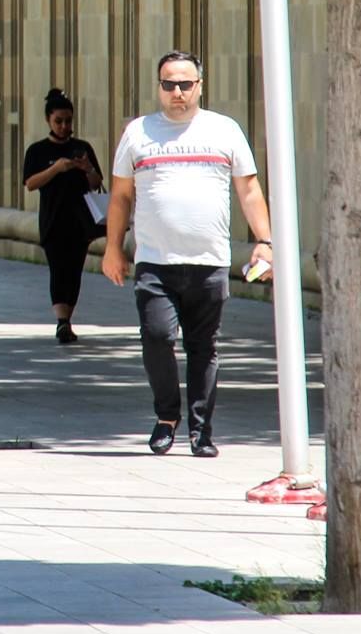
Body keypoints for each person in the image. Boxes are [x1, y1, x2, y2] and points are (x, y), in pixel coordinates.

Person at [103, 51, 273, 458]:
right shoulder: (139, 133)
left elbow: (248, 190)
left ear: (200, 85)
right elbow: (121, 197)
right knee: (157, 338)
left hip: (208, 261)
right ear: (158, 87)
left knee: (203, 347)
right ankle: (166, 416)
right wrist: (112, 248)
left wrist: (265, 241)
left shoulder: (224, 131)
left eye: (185, 84)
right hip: (155, 262)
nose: (177, 92)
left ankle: (201, 431)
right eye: (168, 85)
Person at [24, 89, 104, 344]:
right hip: (53, 220)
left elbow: (96, 183)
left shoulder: (81, 148)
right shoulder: (37, 150)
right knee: (58, 269)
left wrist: (87, 167)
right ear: (48, 120)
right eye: (59, 121)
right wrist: (56, 168)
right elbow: (31, 183)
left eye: (68, 121)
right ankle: (62, 321)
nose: (64, 126)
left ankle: (66, 319)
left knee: (74, 271)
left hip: (80, 222)